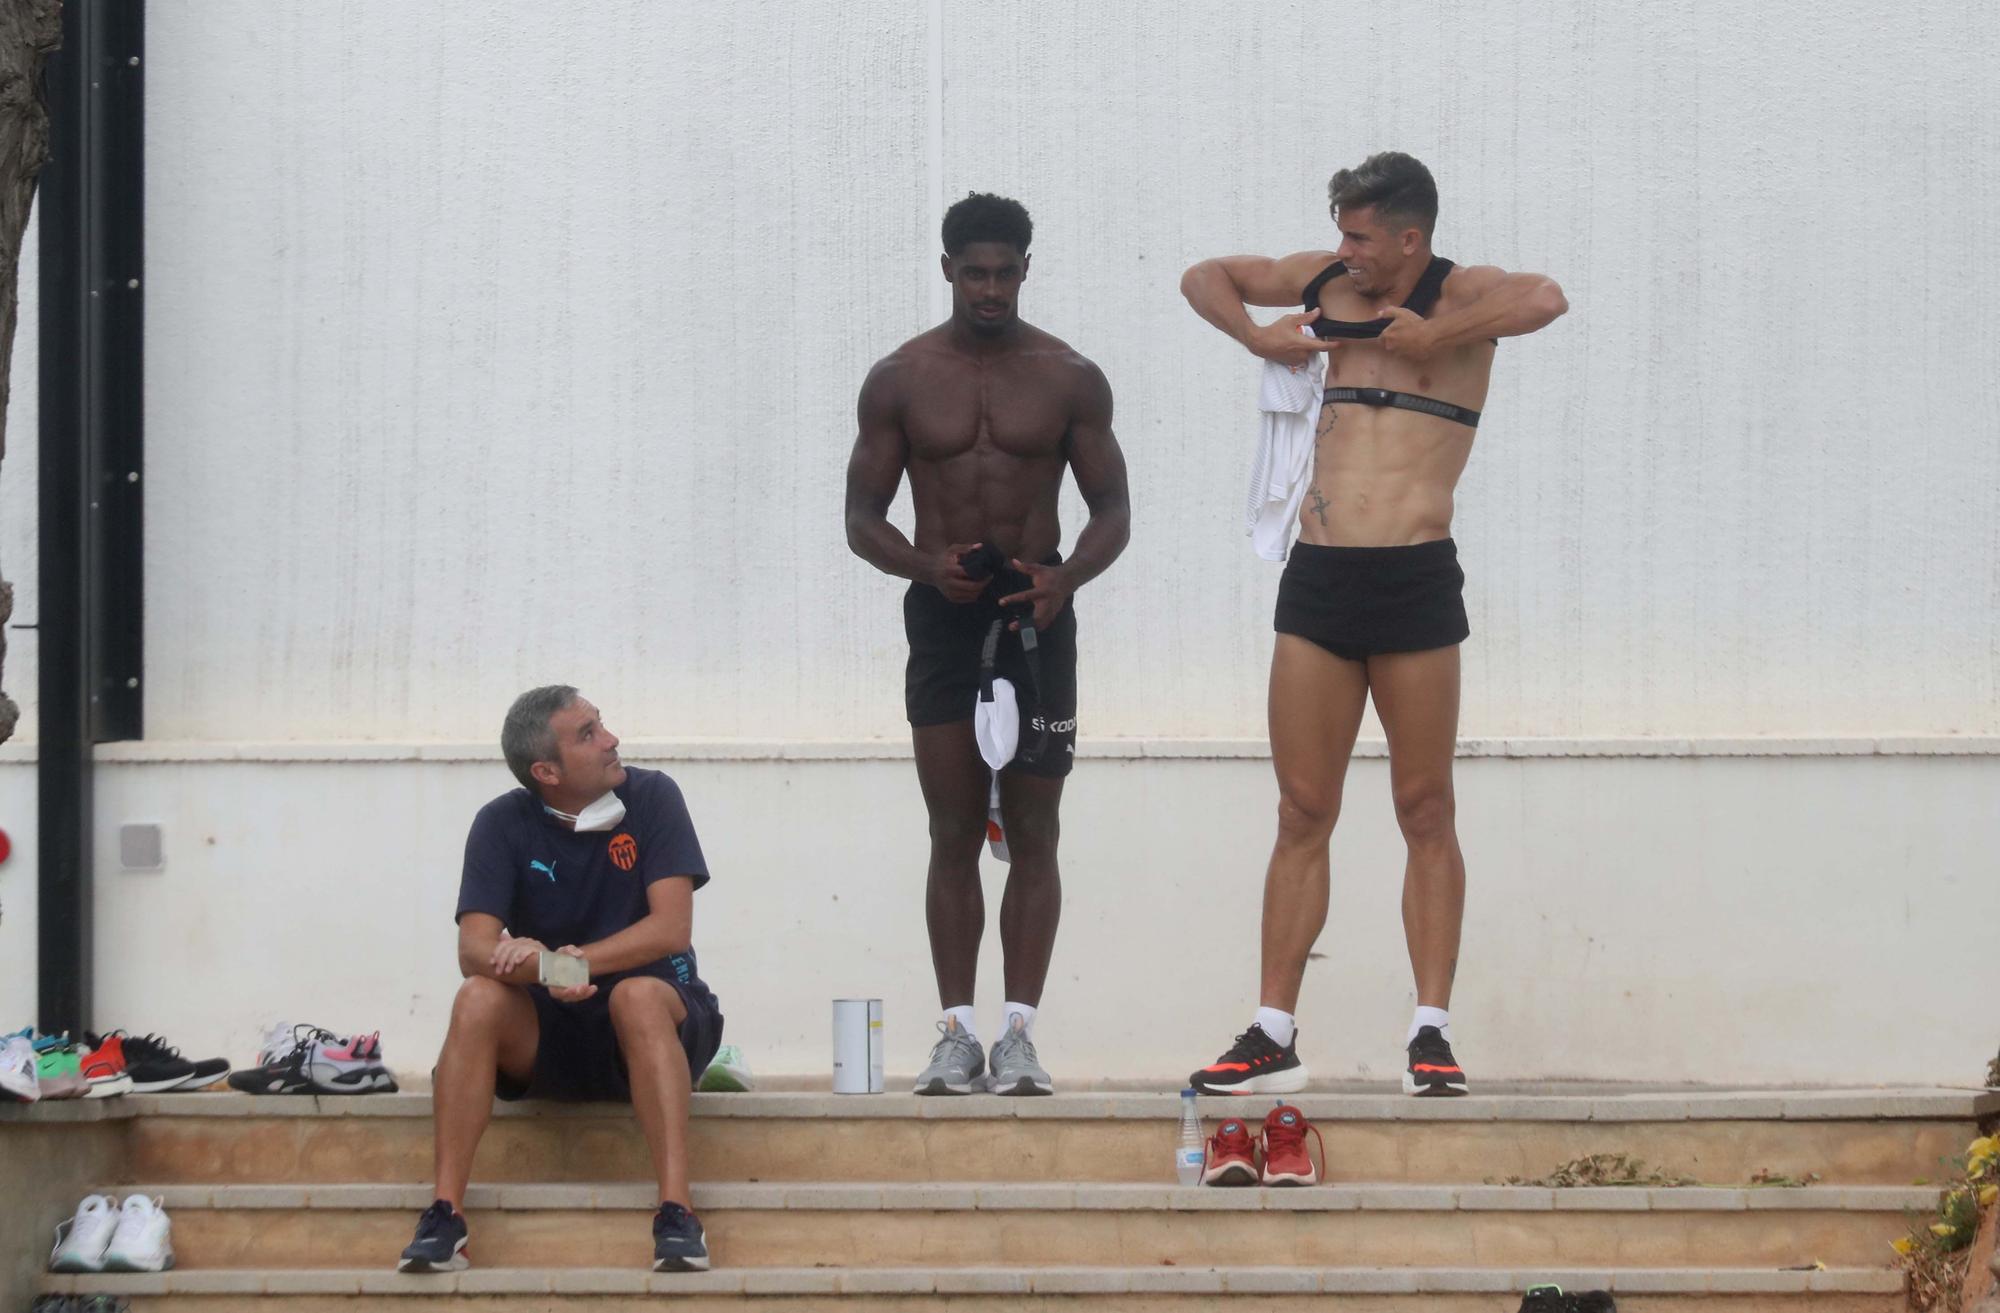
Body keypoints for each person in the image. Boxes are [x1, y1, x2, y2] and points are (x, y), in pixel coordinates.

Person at [1179, 152, 1567, 1097]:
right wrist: (1256, 337)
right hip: (1320, 580)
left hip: (1414, 578)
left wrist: (1437, 335)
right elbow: (1206, 278)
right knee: (1302, 809)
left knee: (1424, 807)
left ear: (1410, 236)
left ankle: (1431, 1031)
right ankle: (1273, 1029)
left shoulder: (1460, 293)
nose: (1346, 250)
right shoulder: (1323, 279)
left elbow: (1547, 297)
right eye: (1341, 231)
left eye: (1361, 235)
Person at [845, 192, 1131, 1095]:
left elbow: (1113, 509)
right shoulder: (900, 378)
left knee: (1038, 828)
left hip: (1035, 612)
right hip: (943, 610)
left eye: (1007, 271)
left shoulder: (1069, 376)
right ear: (947, 271)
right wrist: (926, 568)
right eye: (975, 272)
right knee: (953, 827)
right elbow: (860, 517)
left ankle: (1020, 1034)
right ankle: (955, 1032)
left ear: (1026, 270)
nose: (992, 288)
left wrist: (1066, 578)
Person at [398, 686, 724, 1272]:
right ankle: (445, 1217)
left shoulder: (654, 796)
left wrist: (569, 964)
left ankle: (678, 1214)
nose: (611, 739)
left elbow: (671, 929)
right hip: (550, 1030)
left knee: (638, 996)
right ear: (546, 771)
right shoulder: (500, 822)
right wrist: (552, 972)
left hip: (656, 1022)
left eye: (601, 724)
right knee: (477, 997)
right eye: (588, 734)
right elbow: (474, 950)